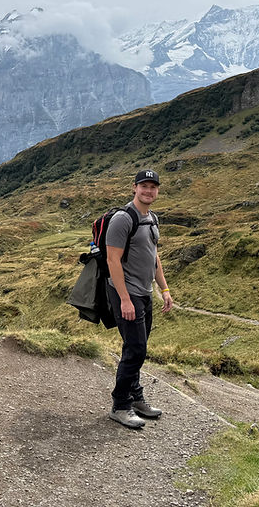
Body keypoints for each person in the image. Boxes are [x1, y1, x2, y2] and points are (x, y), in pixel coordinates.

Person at [105, 168, 173, 429]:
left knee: (134, 347)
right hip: (127, 293)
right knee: (136, 350)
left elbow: (154, 257)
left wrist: (164, 290)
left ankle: (136, 398)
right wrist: (123, 299)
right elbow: (113, 260)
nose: (148, 191)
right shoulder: (123, 219)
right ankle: (120, 405)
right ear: (134, 188)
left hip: (144, 293)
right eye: (143, 186)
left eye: (153, 187)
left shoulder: (152, 218)